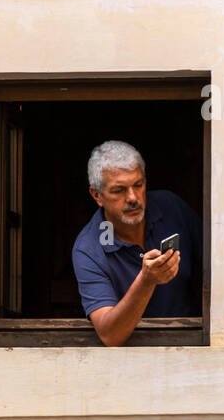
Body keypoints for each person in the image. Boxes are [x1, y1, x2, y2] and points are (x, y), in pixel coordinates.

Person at [70, 140, 202, 347]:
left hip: (194, 346)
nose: (132, 197)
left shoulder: (171, 207)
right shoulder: (87, 248)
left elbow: (219, 265)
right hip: (130, 361)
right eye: (119, 190)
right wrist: (146, 281)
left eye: (138, 185)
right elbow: (110, 335)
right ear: (97, 195)